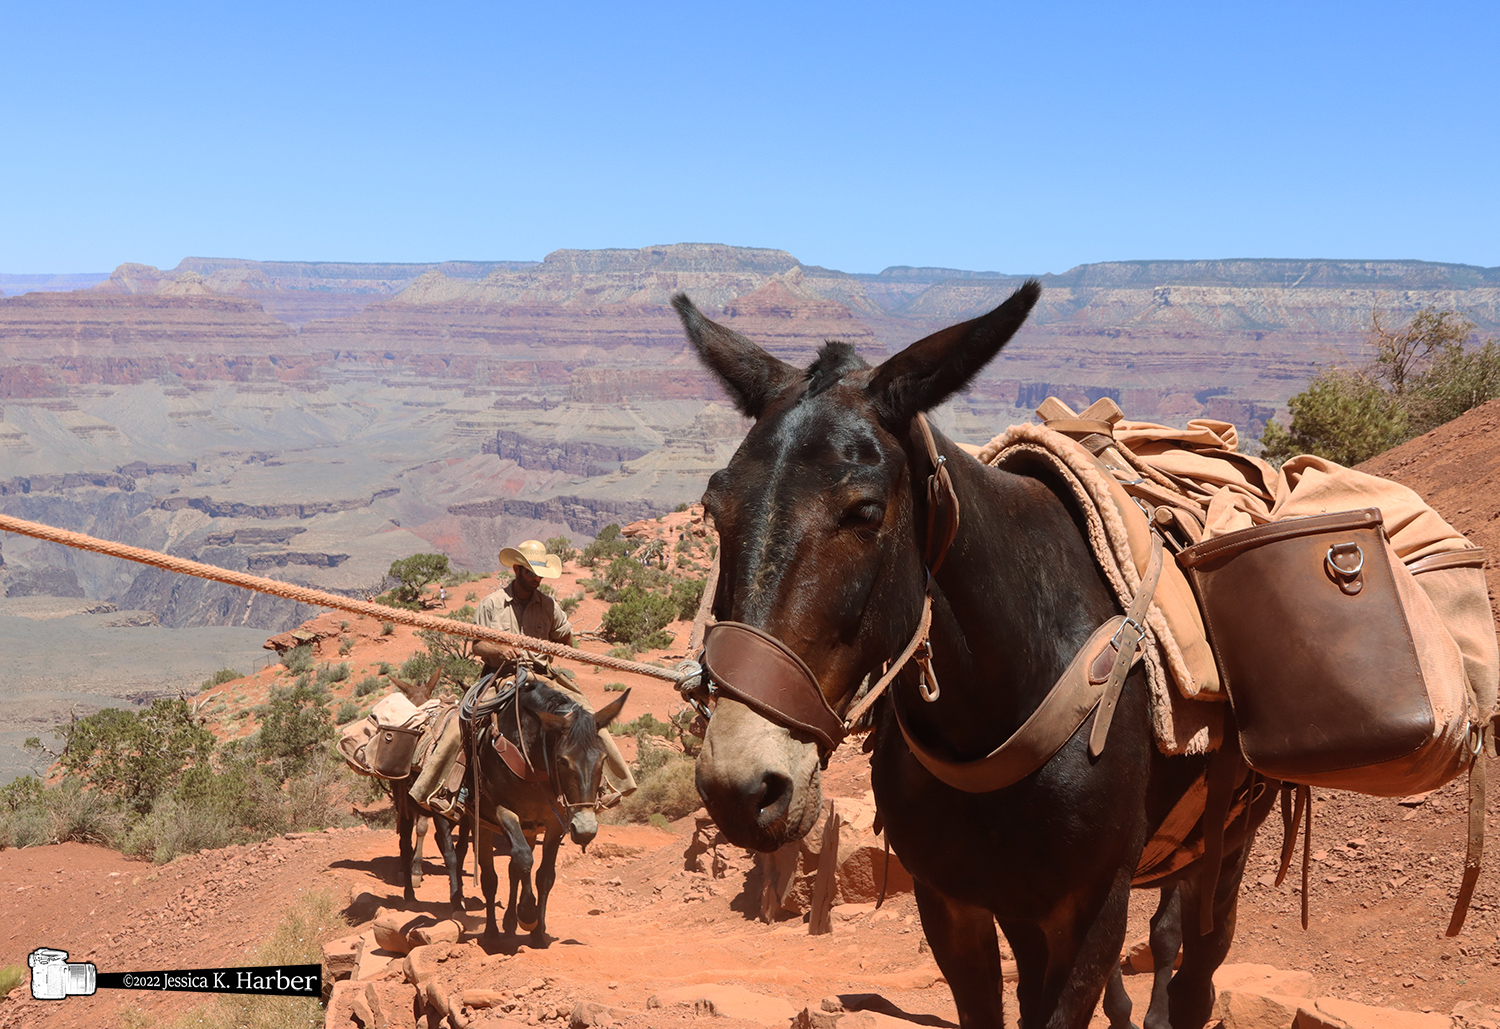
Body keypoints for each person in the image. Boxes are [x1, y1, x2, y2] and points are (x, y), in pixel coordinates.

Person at [413, 540, 635, 814]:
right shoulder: (492, 604)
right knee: (465, 719)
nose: (536, 579)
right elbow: (477, 646)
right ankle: (452, 789)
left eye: (540, 574)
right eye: (531, 573)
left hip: (543, 677)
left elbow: (566, 640)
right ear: (517, 570)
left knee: (588, 716)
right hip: (501, 676)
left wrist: (558, 642)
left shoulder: (548, 605)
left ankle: (606, 788)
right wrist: (499, 650)